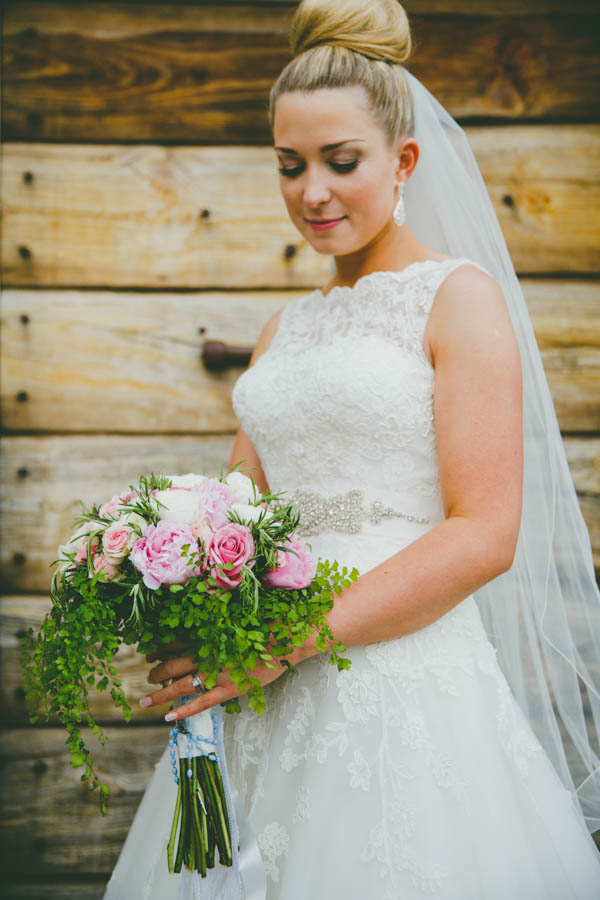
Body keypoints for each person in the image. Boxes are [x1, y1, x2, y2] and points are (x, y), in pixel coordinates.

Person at [104, 1, 600, 897]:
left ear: (404, 160)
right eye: (290, 167)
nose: (313, 193)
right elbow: (239, 512)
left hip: (395, 680)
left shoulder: (458, 300)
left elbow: (485, 532)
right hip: (261, 694)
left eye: (342, 162)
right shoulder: (281, 331)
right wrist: (174, 588)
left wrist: (283, 644)